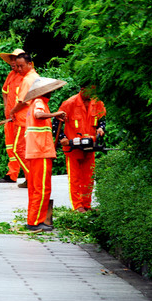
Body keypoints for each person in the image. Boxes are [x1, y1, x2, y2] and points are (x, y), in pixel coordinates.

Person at [23, 77, 67, 231]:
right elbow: (38, 115)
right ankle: (36, 222)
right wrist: (55, 114)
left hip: (36, 152)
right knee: (42, 188)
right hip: (40, 152)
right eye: (51, 91)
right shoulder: (39, 103)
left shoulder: (36, 103)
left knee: (36, 188)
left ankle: (33, 219)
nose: (52, 93)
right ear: (46, 92)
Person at [54, 85, 106, 213]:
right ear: (82, 89)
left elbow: (102, 120)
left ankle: (87, 205)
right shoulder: (69, 104)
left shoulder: (97, 103)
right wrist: (62, 138)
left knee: (89, 177)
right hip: (73, 149)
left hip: (90, 147)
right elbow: (56, 124)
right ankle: (78, 206)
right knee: (75, 178)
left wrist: (101, 129)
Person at [8, 52, 40, 188]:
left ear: (30, 64)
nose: (19, 69)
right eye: (17, 66)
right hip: (31, 120)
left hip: (23, 120)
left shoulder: (27, 79)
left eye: (21, 66)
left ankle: (32, 178)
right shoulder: (36, 76)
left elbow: (22, 101)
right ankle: (30, 178)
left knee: (17, 149)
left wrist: (12, 111)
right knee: (28, 151)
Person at [0, 48, 25, 183]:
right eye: (12, 60)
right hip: (10, 118)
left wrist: (15, 111)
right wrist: (7, 111)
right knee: (10, 146)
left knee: (21, 147)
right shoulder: (11, 75)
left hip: (21, 119)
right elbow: (4, 92)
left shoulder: (27, 76)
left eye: (16, 59)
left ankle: (28, 175)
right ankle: (12, 174)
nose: (13, 62)